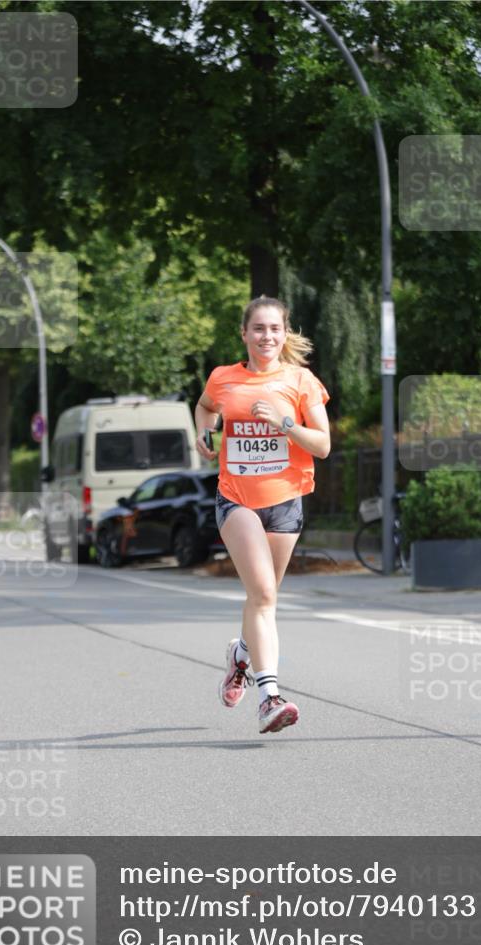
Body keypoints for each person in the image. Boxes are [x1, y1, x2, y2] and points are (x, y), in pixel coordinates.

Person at [195, 295, 331, 734]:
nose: (266, 336)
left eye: (274, 328)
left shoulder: (301, 380)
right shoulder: (224, 378)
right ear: (244, 334)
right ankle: (269, 697)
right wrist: (203, 432)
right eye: (258, 328)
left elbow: (323, 445)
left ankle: (240, 655)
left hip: (286, 501)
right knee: (265, 596)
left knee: (261, 598)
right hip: (236, 498)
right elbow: (205, 407)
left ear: (285, 333)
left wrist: (283, 423)